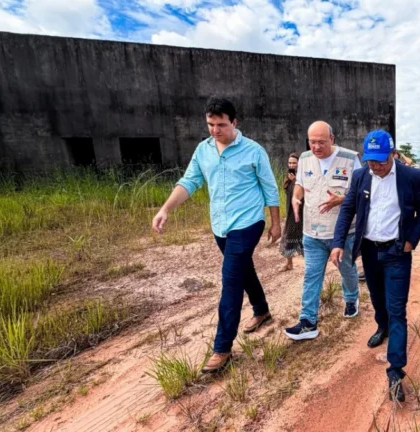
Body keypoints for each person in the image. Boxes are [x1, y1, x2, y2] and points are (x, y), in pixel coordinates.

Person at [152, 96, 280, 374]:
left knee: (231, 280)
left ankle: (222, 348)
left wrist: (275, 223)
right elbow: (190, 181)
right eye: (210, 124)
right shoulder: (203, 150)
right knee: (243, 269)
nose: (215, 130)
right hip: (220, 225)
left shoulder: (253, 151)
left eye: (221, 124)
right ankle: (262, 310)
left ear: (234, 122)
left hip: (248, 223)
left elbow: (269, 188)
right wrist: (166, 209)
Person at [330, 130, 420, 402]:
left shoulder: (410, 176)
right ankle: (382, 326)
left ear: (393, 154)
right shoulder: (361, 176)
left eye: (381, 161)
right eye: (371, 161)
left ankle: (396, 371)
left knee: (397, 308)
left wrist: (411, 240)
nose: (376, 166)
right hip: (369, 250)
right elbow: (347, 210)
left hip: (398, 251)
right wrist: (338, 242)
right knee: (378, 299)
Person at [284, 121, 363, 340]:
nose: (316, 147)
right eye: (312, 142)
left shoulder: (350, 159)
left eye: (321, 142)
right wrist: (296, 197)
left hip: (343, 232)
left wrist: (343, 199)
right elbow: (300, 183)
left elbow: (363, 192)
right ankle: (308, 321)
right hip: (312, 232)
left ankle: (351, 298)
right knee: (311, 276)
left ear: (332, 139)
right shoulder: (306, 159)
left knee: (346, 269)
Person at [279, 153, 304, 271]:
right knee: (288, 237)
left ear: (299, 164)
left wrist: (295, 181)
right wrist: (289, 181)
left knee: (303, 238)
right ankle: (289, 263)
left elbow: (302, 194)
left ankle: (309, 265)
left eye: (294, 162)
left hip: (301, 212)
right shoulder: (289, 176)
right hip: (290, 213)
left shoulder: (302, 177)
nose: (291, 165)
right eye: (290, 163)